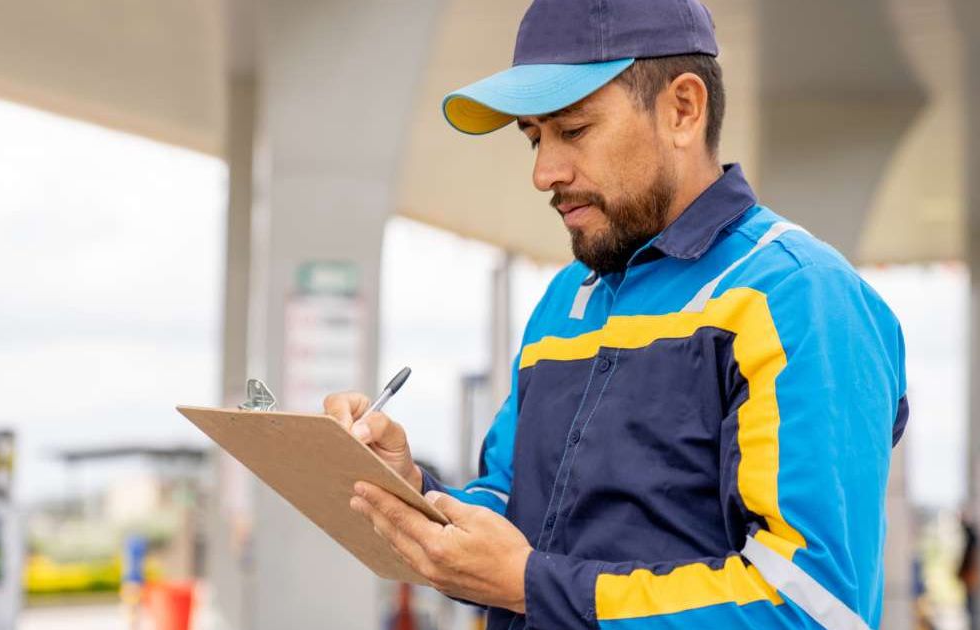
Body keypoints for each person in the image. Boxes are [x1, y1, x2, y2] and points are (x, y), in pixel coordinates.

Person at [326, 0, 909, 627]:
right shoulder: (567, 300)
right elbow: (511, 513)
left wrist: (534, 585)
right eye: (534, 137)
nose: (544, 172)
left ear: (683, 109)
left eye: (572, 130)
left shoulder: (802, 299)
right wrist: (410, 489)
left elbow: (811, 609)